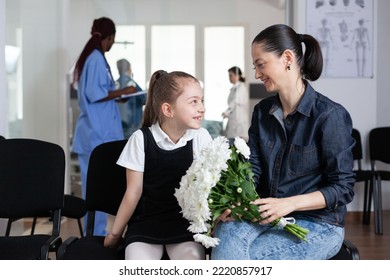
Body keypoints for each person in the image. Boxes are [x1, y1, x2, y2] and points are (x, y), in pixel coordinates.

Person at [211, 24, 355, 260]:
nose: (257, 73)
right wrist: (236, 201)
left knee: (248, 260)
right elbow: (254, 168)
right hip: (267, 213)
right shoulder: (262, 112)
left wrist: (288, 204)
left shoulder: (329, 116)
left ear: (287, 58)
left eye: (261, 64)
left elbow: (343, 188)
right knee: (225, 231)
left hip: (318, 224)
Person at [104, 70, 213, 259]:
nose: (202, 108)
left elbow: (211, 188)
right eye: (194, 101)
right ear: (168, 110)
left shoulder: (200, 137)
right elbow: (133, 192)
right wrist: (115, 235)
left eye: (201, 100)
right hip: (145, 224)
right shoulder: (140, 139)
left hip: (184, 224)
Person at [71, 17, 138, 236]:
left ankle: (97, 234)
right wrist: (123, 92)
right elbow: (94, 94)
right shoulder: (96, 59)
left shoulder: (94, 58)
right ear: (109, 38)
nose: (111, 45)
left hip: (97, 132)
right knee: (96, 190)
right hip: (95, 134)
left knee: (98, 188)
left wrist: (117, 97)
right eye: (112, 41)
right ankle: (95, 236)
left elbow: (100, 93)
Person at [116, 59, 146, 138]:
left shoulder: (115, 84)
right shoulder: (132, 84)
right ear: (129, 69)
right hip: (132, 127)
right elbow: (144, 99)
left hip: (118, 127)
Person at [221, 66, 250, 141]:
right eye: (229, 76)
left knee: (237, 145)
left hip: (239, 122)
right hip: (234, 120)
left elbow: (235, 102)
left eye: (231, 75)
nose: (229, 78)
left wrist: (227, 112)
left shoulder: (241, 87)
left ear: (238, 75)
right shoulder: (234, 88)